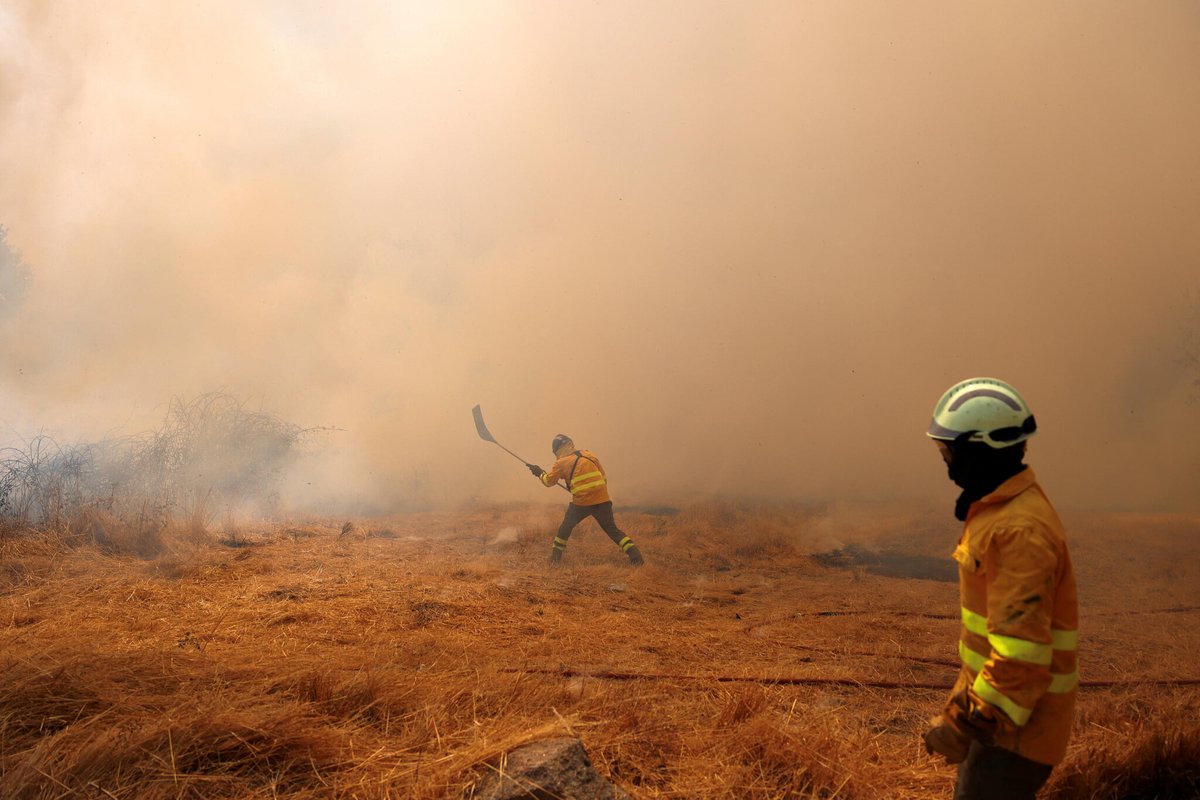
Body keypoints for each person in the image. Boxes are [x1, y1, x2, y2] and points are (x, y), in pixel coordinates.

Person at [922, 378, 1078, 800]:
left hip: (1015, 734)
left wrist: (964, 724)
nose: (947, 462)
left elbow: (1020, 657)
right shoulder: (1000, 510)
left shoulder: (1019, 530)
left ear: (980, 450)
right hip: (1002, 720)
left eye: (950, 452)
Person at [527, 434, 644, 567]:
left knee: (565, 529)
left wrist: (539, 472)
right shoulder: (589, 455)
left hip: (581, 503)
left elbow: (548, 481)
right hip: (602, 500)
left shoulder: (561, 462)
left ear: (558, 450)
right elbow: (603, 478)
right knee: (613, 530)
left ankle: (555, 560)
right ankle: (636, 558)